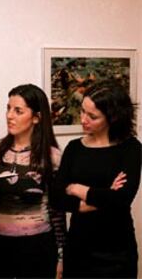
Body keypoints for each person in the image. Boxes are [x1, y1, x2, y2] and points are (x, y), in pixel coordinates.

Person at [53, 81, 141, 278]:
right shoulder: (74, 148)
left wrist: (77, 188)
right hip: (77, 248)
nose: (83, 119)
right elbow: (56, 197)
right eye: (83, 111)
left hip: (116, 252)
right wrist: (100, 197)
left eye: (92, 116)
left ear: (112, 118)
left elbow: (121, 199)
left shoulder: (131, 149)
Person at [0, 84, 66, 279]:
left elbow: (57, 211)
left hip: (37, 247)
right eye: (8, 108)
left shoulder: (51, 157)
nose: (10, 115)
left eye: (18, 111)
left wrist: (61, 257)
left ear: (36, 117)